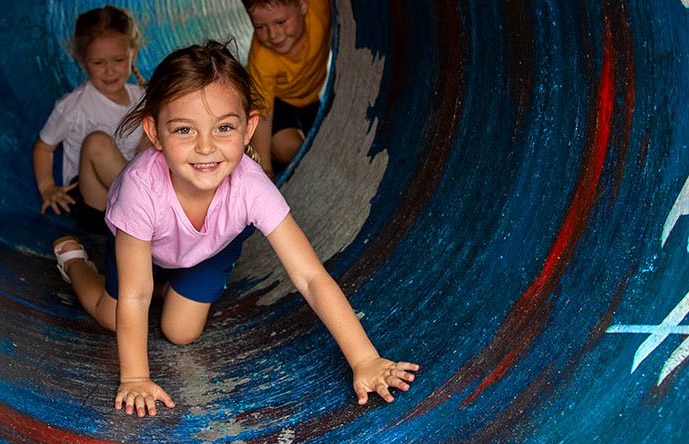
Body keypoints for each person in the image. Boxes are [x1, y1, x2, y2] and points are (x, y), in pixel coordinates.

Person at [50, 41, 418, 417]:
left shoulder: (251, 185)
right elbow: (135, 295)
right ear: (155, 133)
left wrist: (364, 359)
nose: (206, 147)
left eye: (224, 127)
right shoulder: (139, 189)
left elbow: (309, 276)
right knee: (116, 317)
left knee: (180, 332)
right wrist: (134, 379)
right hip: (139, 247)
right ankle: (76, 262)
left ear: (248, 128)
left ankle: (171, 284)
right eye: (184, 130)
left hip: (209, 250)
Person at [33, 6, 149, 234]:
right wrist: (47, 187)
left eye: (118, 60)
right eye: (98, 63)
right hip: (95, 204)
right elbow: (43, 147)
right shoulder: (74, 106)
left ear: (132, 54)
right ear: (83, 61)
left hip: (134, 192)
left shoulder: (141, 97)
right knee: (97, 143)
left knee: (156, 129)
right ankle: (150, 211)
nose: (109, 71)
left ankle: (152, 209)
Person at [243, 0, 331, 178]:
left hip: (311, 99)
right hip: (278, 103)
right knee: (289, 149)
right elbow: (263, 115)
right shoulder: (262, 59)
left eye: (281, 22)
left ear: (303, 6)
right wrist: (264, 170)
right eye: (260, 27)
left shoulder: (320, 9)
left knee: (328, 145)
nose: (273, 35)